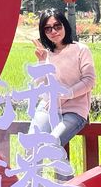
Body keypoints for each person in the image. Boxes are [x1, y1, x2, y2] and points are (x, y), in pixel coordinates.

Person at [29, 8, 96, 146]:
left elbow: (89, 81)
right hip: (48, 107)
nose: (53, 31)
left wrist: (63, 95)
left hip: (74, 110)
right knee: (32, 145)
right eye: (48, 29)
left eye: (57, 26)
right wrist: (41, 62)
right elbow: (39, 86)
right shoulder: (46, 53)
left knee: (51, 144)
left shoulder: (81, 49)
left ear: (65, 25)